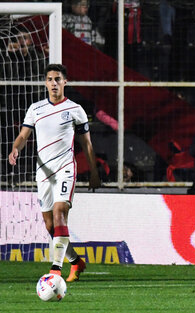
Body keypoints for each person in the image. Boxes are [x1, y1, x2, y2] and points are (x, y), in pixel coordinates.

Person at [8, 64, 101, 281]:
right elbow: (23, 136)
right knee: (50, 224)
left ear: (65, 82)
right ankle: (76, 262)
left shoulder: (75, 110)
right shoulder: (36, 108)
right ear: (45, 82)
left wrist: (94, 172)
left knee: (60, 213)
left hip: (65, 168)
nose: (53, 83)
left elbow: (87, 144)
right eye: (50, 79)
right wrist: (15, 148)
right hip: (43, 171)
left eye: (57, 79)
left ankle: (55, 270)